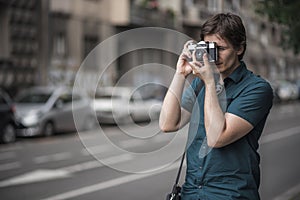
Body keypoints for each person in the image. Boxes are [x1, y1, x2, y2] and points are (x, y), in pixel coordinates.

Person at [159, 12, 273, 200]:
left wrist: (212, 82)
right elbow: (167, 124)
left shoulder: (257, 89)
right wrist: (180, 73)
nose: (214, 56)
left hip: (231, 194)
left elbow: (216, 138)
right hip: (192, 192)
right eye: (209, 48)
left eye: (220, 48)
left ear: (239, 48)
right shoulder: (199, 84)